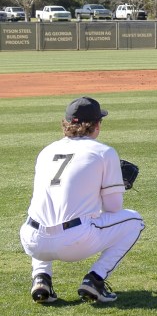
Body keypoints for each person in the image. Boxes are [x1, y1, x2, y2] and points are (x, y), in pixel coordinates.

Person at [20, 97, 145, 303]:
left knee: (42, 214)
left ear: (67, 123)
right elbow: (113, 207)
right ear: (96, 125)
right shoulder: (103, 152)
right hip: (75, 243)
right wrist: (113, 187)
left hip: (32, 241)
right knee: (134, 221)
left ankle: (41, 277)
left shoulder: (46, 151)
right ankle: (95, 280)